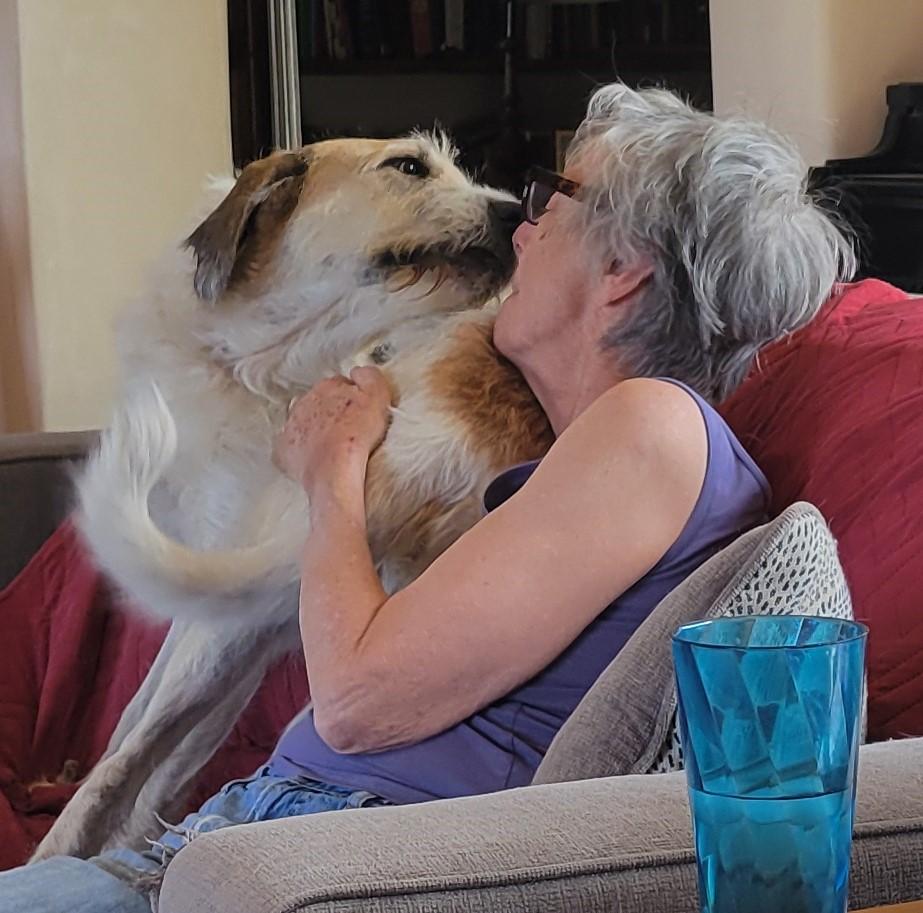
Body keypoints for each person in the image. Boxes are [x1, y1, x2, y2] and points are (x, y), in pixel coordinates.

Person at [0, 83, 854, 912]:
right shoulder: (582, 452)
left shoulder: (651, 424)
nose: (518, 230)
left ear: (624, 270)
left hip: (335, 861)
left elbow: (359, 702)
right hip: (262, 851)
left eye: (552, 198)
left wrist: (333, 471)